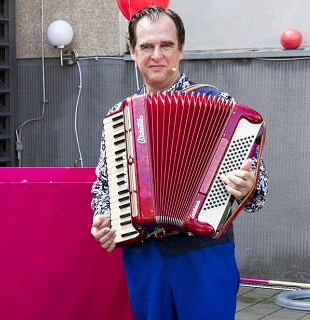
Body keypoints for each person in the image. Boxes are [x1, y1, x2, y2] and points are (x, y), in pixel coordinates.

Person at [89, 6, 268, 320]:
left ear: (181, 50)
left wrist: (248, 187)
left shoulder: (220, 106)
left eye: (166, 45)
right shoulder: (120, 117)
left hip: (203, 254)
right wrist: (105, 218)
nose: (156, 55)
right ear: (132, 52)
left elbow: (259, 190)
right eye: (146, 46)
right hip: (144, 256)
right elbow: (104, 187)